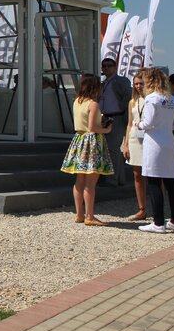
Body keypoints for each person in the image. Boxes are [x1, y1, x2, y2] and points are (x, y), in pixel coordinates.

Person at [136, 67, 174, 233]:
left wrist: (139, 124)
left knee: (154, 182)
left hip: (154, 143)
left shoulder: (151, 99)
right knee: (172, 183)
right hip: (169, 142)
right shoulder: (172, 99)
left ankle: (158, 223)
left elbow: (148, 122)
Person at [61, 74, 113, 226]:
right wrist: (107, 129)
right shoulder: (93, 104)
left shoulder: (77, 101)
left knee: (79, 180)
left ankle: (79, 214)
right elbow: (92, 127)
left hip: (79, 139)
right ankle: (89, 216)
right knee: (90, 182)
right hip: (92, 142)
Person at [98, 57, 133, 186]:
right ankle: (119, 179)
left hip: (117, 117)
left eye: (109, 66)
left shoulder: (121, 81)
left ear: (115, 67)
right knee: (110, 150)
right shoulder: (103, 83)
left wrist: (120, 108)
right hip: (105, 117)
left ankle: (112, 179)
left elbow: (128, 96)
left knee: (112, 149)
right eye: (104, 66)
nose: (106, 68)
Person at [122, 74, 148, 221]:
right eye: (136, 84)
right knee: (137, 174)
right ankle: (142, 208)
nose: (138, 86)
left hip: (149, 138)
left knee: (155, 175)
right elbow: (129, 123)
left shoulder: (151, 100)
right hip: (135, 138)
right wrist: (125, 144)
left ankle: (160, 207)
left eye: (141, 83)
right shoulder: (132, 102)